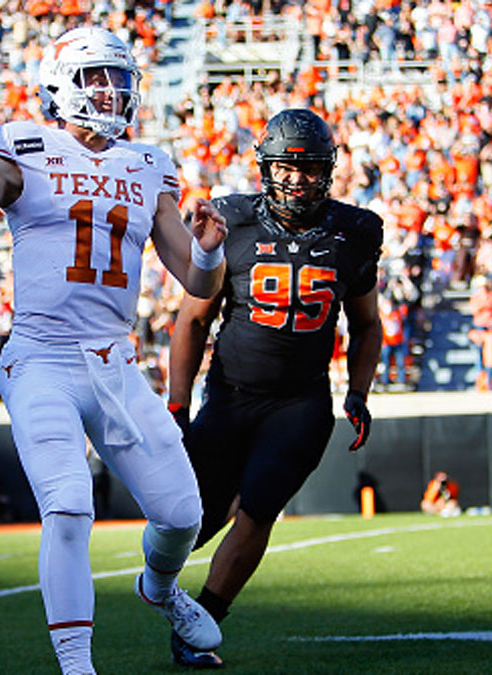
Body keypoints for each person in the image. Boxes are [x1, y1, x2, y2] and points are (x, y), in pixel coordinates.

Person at [0, 26, 229, 674]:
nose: (112, 90)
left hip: (116, 363)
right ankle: (77, 664)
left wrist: (208, 249)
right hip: (43, 359)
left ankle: (160, 589)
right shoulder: (26, 146)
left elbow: (196, 282)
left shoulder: (147, 164)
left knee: (180, 513)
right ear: (62, 86)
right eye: (97, 78)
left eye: (120, 78)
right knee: (68, 500)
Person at [166, 108, 383, 668]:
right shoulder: (232, 220)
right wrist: (177, 401)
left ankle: (202, 625)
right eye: (286, 167)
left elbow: (366, 324)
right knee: (193, 515)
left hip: (301, 402)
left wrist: (358, 392)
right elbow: (191, 319)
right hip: (231, 394)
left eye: (309, 168)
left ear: (327, 172)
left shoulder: (353, 231)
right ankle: (160, 582)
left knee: (259, 506)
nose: (297, 179)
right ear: (266, 168)